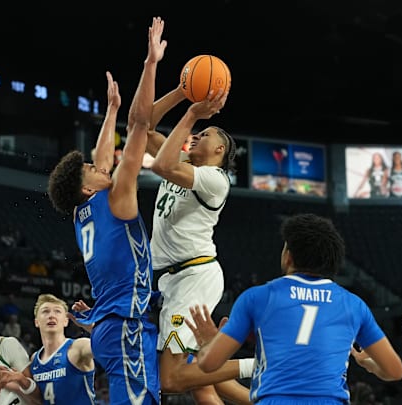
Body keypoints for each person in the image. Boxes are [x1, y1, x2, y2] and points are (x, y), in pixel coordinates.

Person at [46, 16, 167, 405]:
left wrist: (111, 109)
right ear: (86, 186)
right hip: (123, 326)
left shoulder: (86, 211)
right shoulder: (116, 197)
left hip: (106, 324)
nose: (104, 167)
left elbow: (101, 157)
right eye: (94, 170)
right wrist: (150, 64)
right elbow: (142, 125)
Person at [186, 213, 402, 403]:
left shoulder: (257, 297)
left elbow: (209, 365)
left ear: (288, 255)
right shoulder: (354, 305)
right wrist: (370, 365)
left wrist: (208, 343)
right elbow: (395, 371)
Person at [144, 76, 253, 404]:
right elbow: (144, 126)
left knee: (171, 379)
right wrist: (181, 92)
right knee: (195, 383)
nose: (197, 135)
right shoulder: (185, 166)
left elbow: (161, 165)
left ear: (220, 150)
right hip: (175, 279)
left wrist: (192, 115)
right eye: (199, 130)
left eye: (206, 134)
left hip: (194, 275)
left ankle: (259, 365)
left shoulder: (215, 179)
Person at [0, 293, 96, 405]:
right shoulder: (34, 360)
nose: (51, 315)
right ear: (36, 322)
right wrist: (17, 384)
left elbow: (111, 346)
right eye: (45, 311)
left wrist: (91, 326)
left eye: (57, 311)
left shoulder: (78, 347)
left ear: (66, 321)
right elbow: (37, 401)